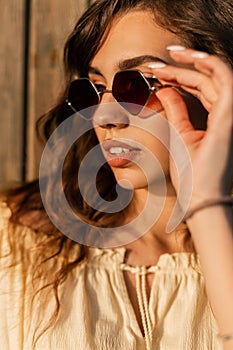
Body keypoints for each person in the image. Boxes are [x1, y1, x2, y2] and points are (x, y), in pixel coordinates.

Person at [0, 0, 232, 349]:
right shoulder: (15, 240)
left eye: (138, 85)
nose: (104, 116)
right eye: (94, 89)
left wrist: (206, 204)